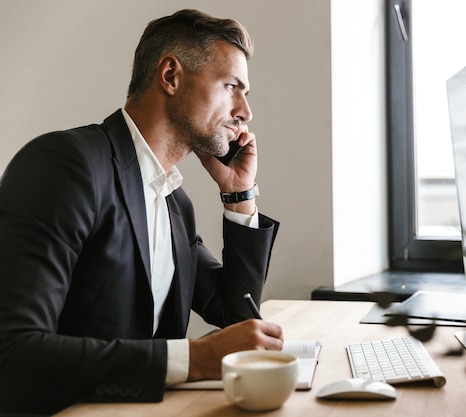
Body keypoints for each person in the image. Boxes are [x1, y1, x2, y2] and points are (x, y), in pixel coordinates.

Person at [0, 9, 283, 415]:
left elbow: (235, 312)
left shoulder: (174, 204)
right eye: (231, 86)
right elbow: (14, 355)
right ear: (171, 76)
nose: (245, 111)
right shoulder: (66, 165)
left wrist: (239, 194)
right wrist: (195, 358)